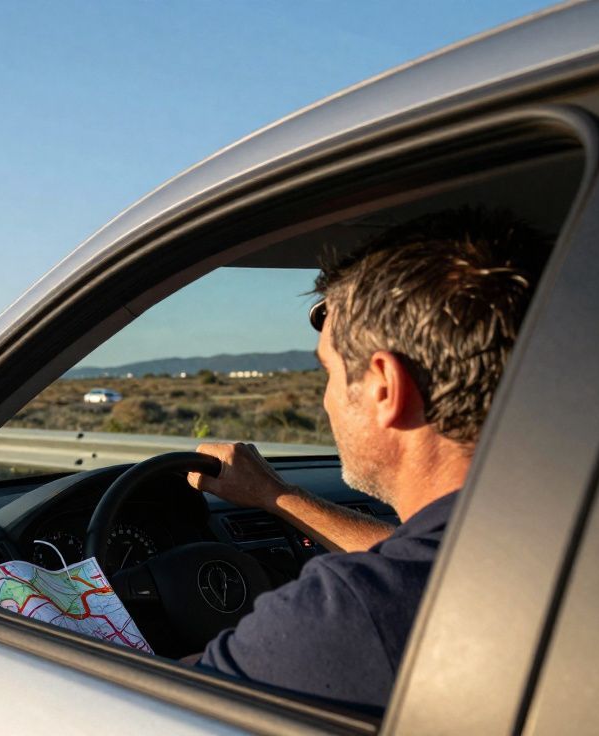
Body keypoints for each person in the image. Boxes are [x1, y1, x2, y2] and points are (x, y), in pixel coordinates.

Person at [185, 207, 551, 713]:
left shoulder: (352, 617)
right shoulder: (548, 537)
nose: (327, 401)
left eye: (329, 373)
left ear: (385, 387)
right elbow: (432, 562)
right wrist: (275, 496)